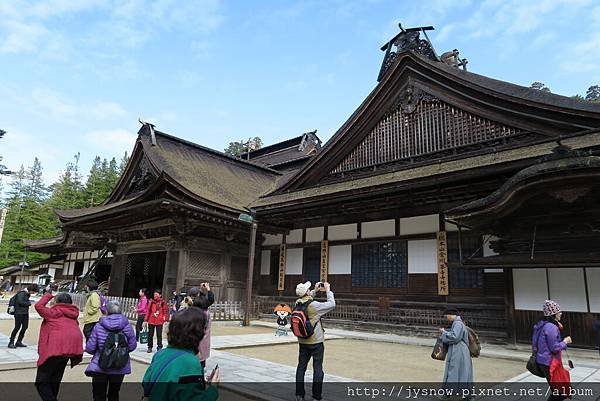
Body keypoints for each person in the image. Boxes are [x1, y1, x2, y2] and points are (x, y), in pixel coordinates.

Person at [142, 307, 219, 401]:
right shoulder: (190, 362)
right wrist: (213, 388)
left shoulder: (160, 354)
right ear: (197, 333)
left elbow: (146, 383)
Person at [34, 291, 84, 401]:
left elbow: (38, 306)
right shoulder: (73, 314)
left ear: (57, 302)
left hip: (55, 350)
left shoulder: (53, 312)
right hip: (70, 349)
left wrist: (49, 294)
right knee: (55, 379)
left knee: (41, 381)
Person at [85, 300, 137, 401]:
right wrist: (120, 351)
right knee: (114, 394)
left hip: (100, 365)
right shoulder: (127, 326)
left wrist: (100, 350)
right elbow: (132, 346)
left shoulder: (99, 326)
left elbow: (90, 348)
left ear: (107, 311)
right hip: (120, 365)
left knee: (99, 395)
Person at [294, 281, 336, 401]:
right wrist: (328, 290)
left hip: (302, 341)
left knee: (301, 367)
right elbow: (332, 304)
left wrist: (315, 290)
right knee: (318, 368)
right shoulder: (315, 305)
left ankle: (299, 395)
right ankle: (316, 396)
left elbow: (307, 298)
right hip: (316, 342)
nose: (310, 290)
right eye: (309, 289)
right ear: (307, 292)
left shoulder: (297, 303)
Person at [532, 300, 572, 401]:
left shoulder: (541, 325)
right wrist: (565, 342)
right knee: (559, 393)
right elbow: (554, 348)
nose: (561, 313)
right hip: (550, 363)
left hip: (542, 361)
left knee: (556, 389)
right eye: (559, 312)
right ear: (553, 314)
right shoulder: (551, 327)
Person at [439, 307, 473, 400]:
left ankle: (449, 393)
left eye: (447, 316)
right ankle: (466, 394)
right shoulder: (458, 323)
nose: (447, 318)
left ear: (451, 315)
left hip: (458, 350)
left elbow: (455, 337)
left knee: (454, 371)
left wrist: (444, 332)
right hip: (460, 350)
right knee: (463, 372)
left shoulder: (457, 323)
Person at [190, 283, 215, 369]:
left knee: (195, 353)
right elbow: (210, 299)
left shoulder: (193, 309)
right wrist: (207, 289)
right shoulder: (205, 310)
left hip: (194, 337)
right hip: (203, 336)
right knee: (202, 354)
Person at [8, 284, 38, 348]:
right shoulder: (21, 293)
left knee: (25, 327)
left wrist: (28, 302)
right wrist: (29, 303)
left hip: (25, 313)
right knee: (17, 327)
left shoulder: (27, 294)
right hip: (19, 313)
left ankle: (19, 341)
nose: (33, 293)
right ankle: (11, 342)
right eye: (33, 292)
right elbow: (20, 302)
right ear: (31, 290)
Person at [144, 289, 169, 353]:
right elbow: (148, 311)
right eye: (154, 294)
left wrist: (166, 319)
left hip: (159, 320)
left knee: (159, 334)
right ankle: (149, 347)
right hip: (151, 320)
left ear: (160, 295)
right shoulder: (151, 302)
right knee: (150, 334)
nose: (155, 295)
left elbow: (165, 311)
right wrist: (145, 320)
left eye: (156, 294)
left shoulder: (163, 302)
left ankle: (159, 346)